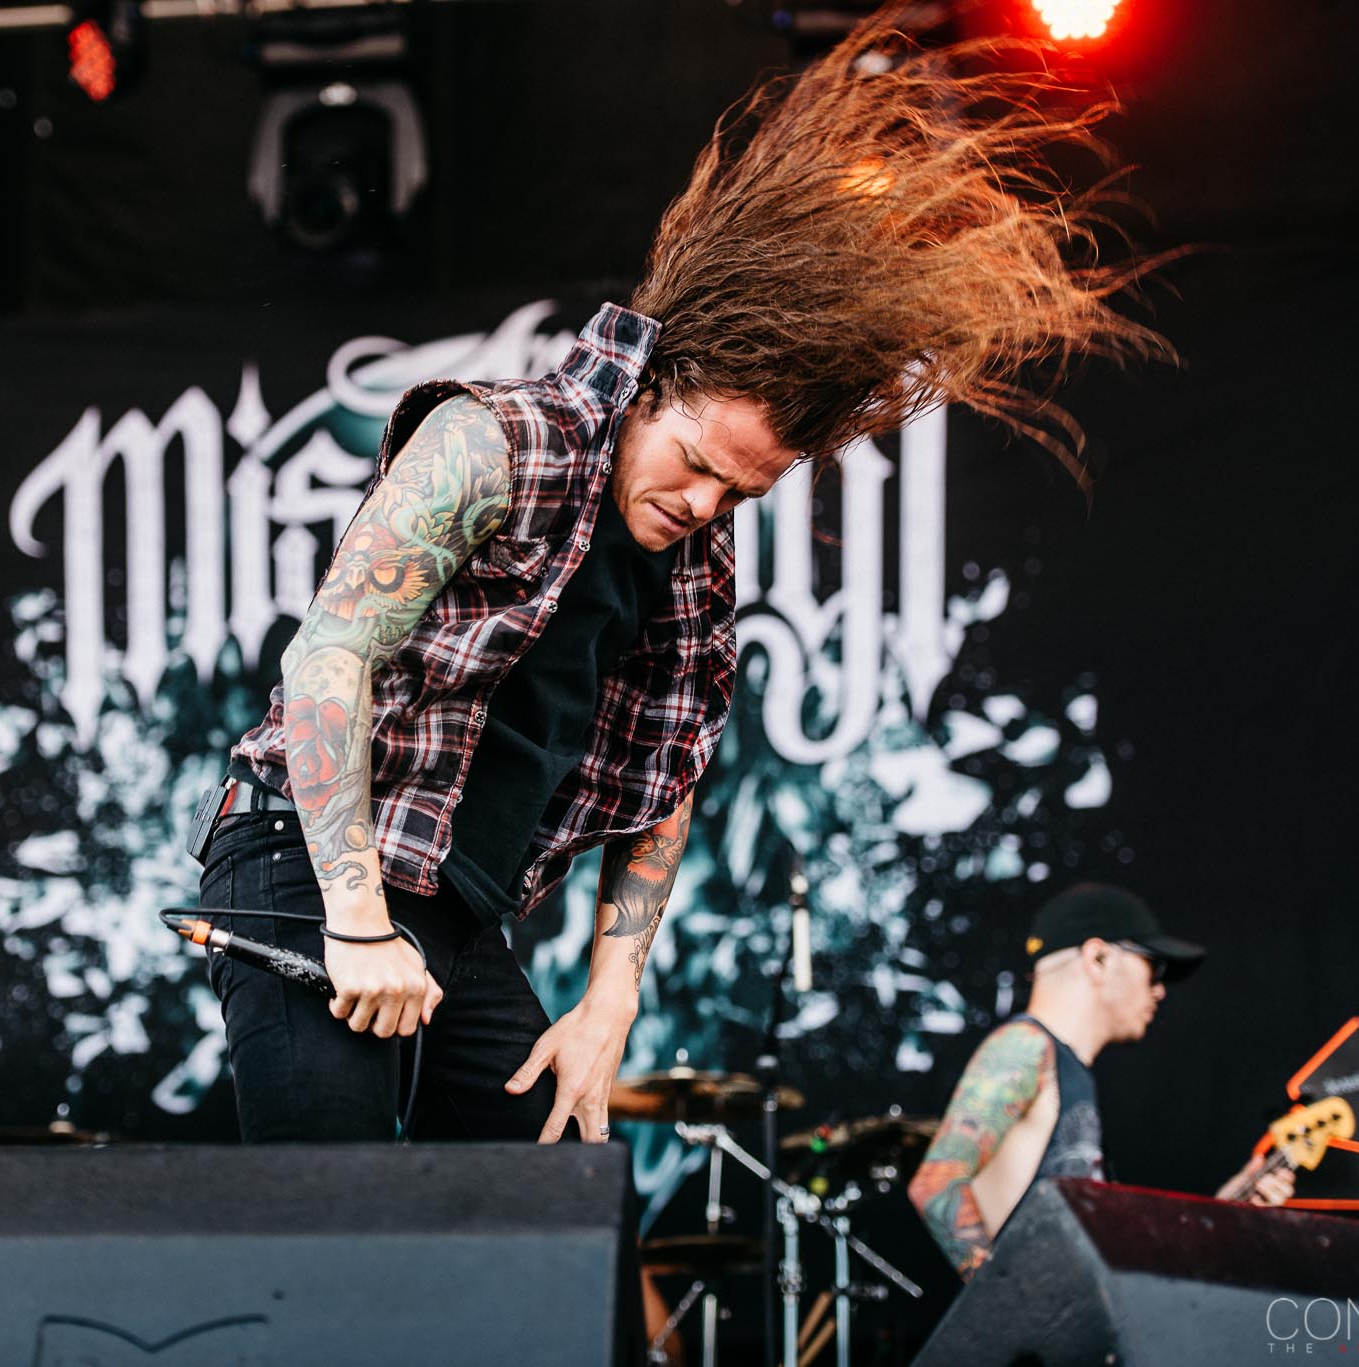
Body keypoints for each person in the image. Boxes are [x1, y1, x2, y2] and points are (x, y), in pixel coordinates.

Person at [193, 14, 1168, 1146]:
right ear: (653, 386)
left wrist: (609, 1001)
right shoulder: (495, 442)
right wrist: (355, 917)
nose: (703, 504)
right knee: (329, 1202)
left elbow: (664, 784)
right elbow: (328, 655)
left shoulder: (694, 570)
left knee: (542, 1190)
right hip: (308, 857)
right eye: (696, 463)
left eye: (738, 493)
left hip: (458, 911)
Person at [907, 883, 1296, 1279]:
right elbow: (936, 1185)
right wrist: (1011, 1307)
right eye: (1153, 967)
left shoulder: (1070, 1073)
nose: (1160, 990)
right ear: (1098, 958)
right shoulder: (1025, 1045)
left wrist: (1228, 1209)